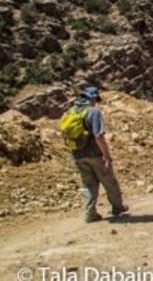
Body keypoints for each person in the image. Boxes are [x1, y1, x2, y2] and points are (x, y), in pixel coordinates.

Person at [61, 86, 129, 223]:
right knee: (109, 181)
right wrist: (106, 155)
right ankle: (118, 207)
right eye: (95, 99)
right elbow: (99, 136)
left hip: (77, 154)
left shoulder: (70, 112)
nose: (96, 102)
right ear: (92, 98)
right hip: (95, 154)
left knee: (88, 185)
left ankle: (90, 213)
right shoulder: (93, 112)